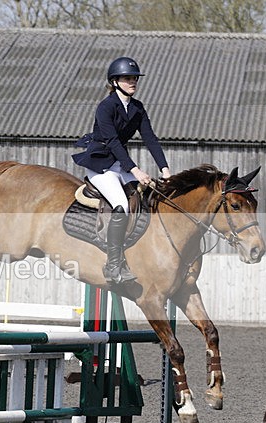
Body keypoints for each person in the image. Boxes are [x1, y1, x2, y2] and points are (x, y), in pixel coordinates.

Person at [72, 56, 171, 284]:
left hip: (118, 164)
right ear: (115, 81)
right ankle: (113, 265)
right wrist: (136, 171)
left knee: (148, 196)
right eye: (127, 78)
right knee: (122, 206)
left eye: (134, 78)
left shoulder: (137, 108)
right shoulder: (105, 107)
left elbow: (150, 139)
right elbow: (114, 143)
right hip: (100, 166)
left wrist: (164, 169)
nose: (133, 82)